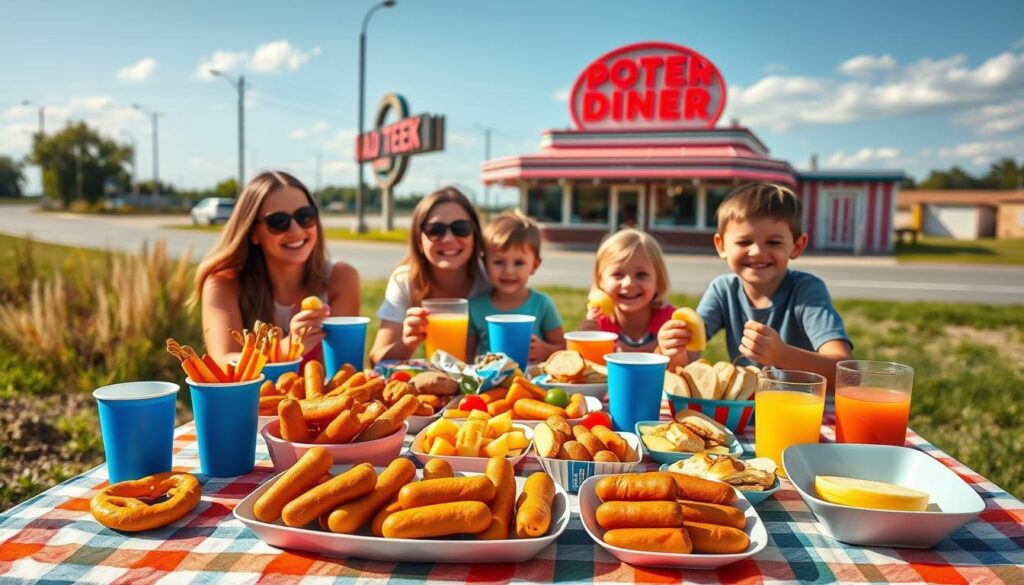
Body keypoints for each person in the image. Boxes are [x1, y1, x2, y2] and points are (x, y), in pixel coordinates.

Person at [658, 182, 853, 384]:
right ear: (721, 245)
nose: (757, 251)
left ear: (797, 246)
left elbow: (845, 372)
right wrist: (674, 350)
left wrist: (783, 355)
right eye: (744, 242)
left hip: (800, 410)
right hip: (744, 413)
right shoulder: (723, 290)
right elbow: (687, 364)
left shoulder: (806, 290)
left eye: (773, 242)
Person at [193, 171, 359, 366]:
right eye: (278, 221)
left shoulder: (341, 277)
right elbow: (223, 361)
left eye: (305, 216)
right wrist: (288, 348)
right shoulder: (222, 283)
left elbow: (340, 370)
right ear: (253, 232)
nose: (296, 230)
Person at [369, 187, 488, 365]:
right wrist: (407, 344)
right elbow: (375, 360)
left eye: (460, 228)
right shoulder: (405, 281)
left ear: (475, 235)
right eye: (435, 230)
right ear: (419, 242)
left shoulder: (490, 277)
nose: (448, 238)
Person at [467, 211, 564, 362]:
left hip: (531, 383)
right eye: (499, 262)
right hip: (489, 383)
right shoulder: (475, 307)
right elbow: (466, 358)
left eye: (519, 263)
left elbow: (564, 348)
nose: (509, 271)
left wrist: (546, 351)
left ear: (534, 265)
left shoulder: (542, 304)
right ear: (485, 263)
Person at [580, 228, 675, 353]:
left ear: (658, 281)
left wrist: (675, 351)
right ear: (600, 281)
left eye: (641, 275)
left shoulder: (671, 321)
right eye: (618, 274)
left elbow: (690, 361)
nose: (629, 283)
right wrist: (585, 340)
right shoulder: (598, 325)